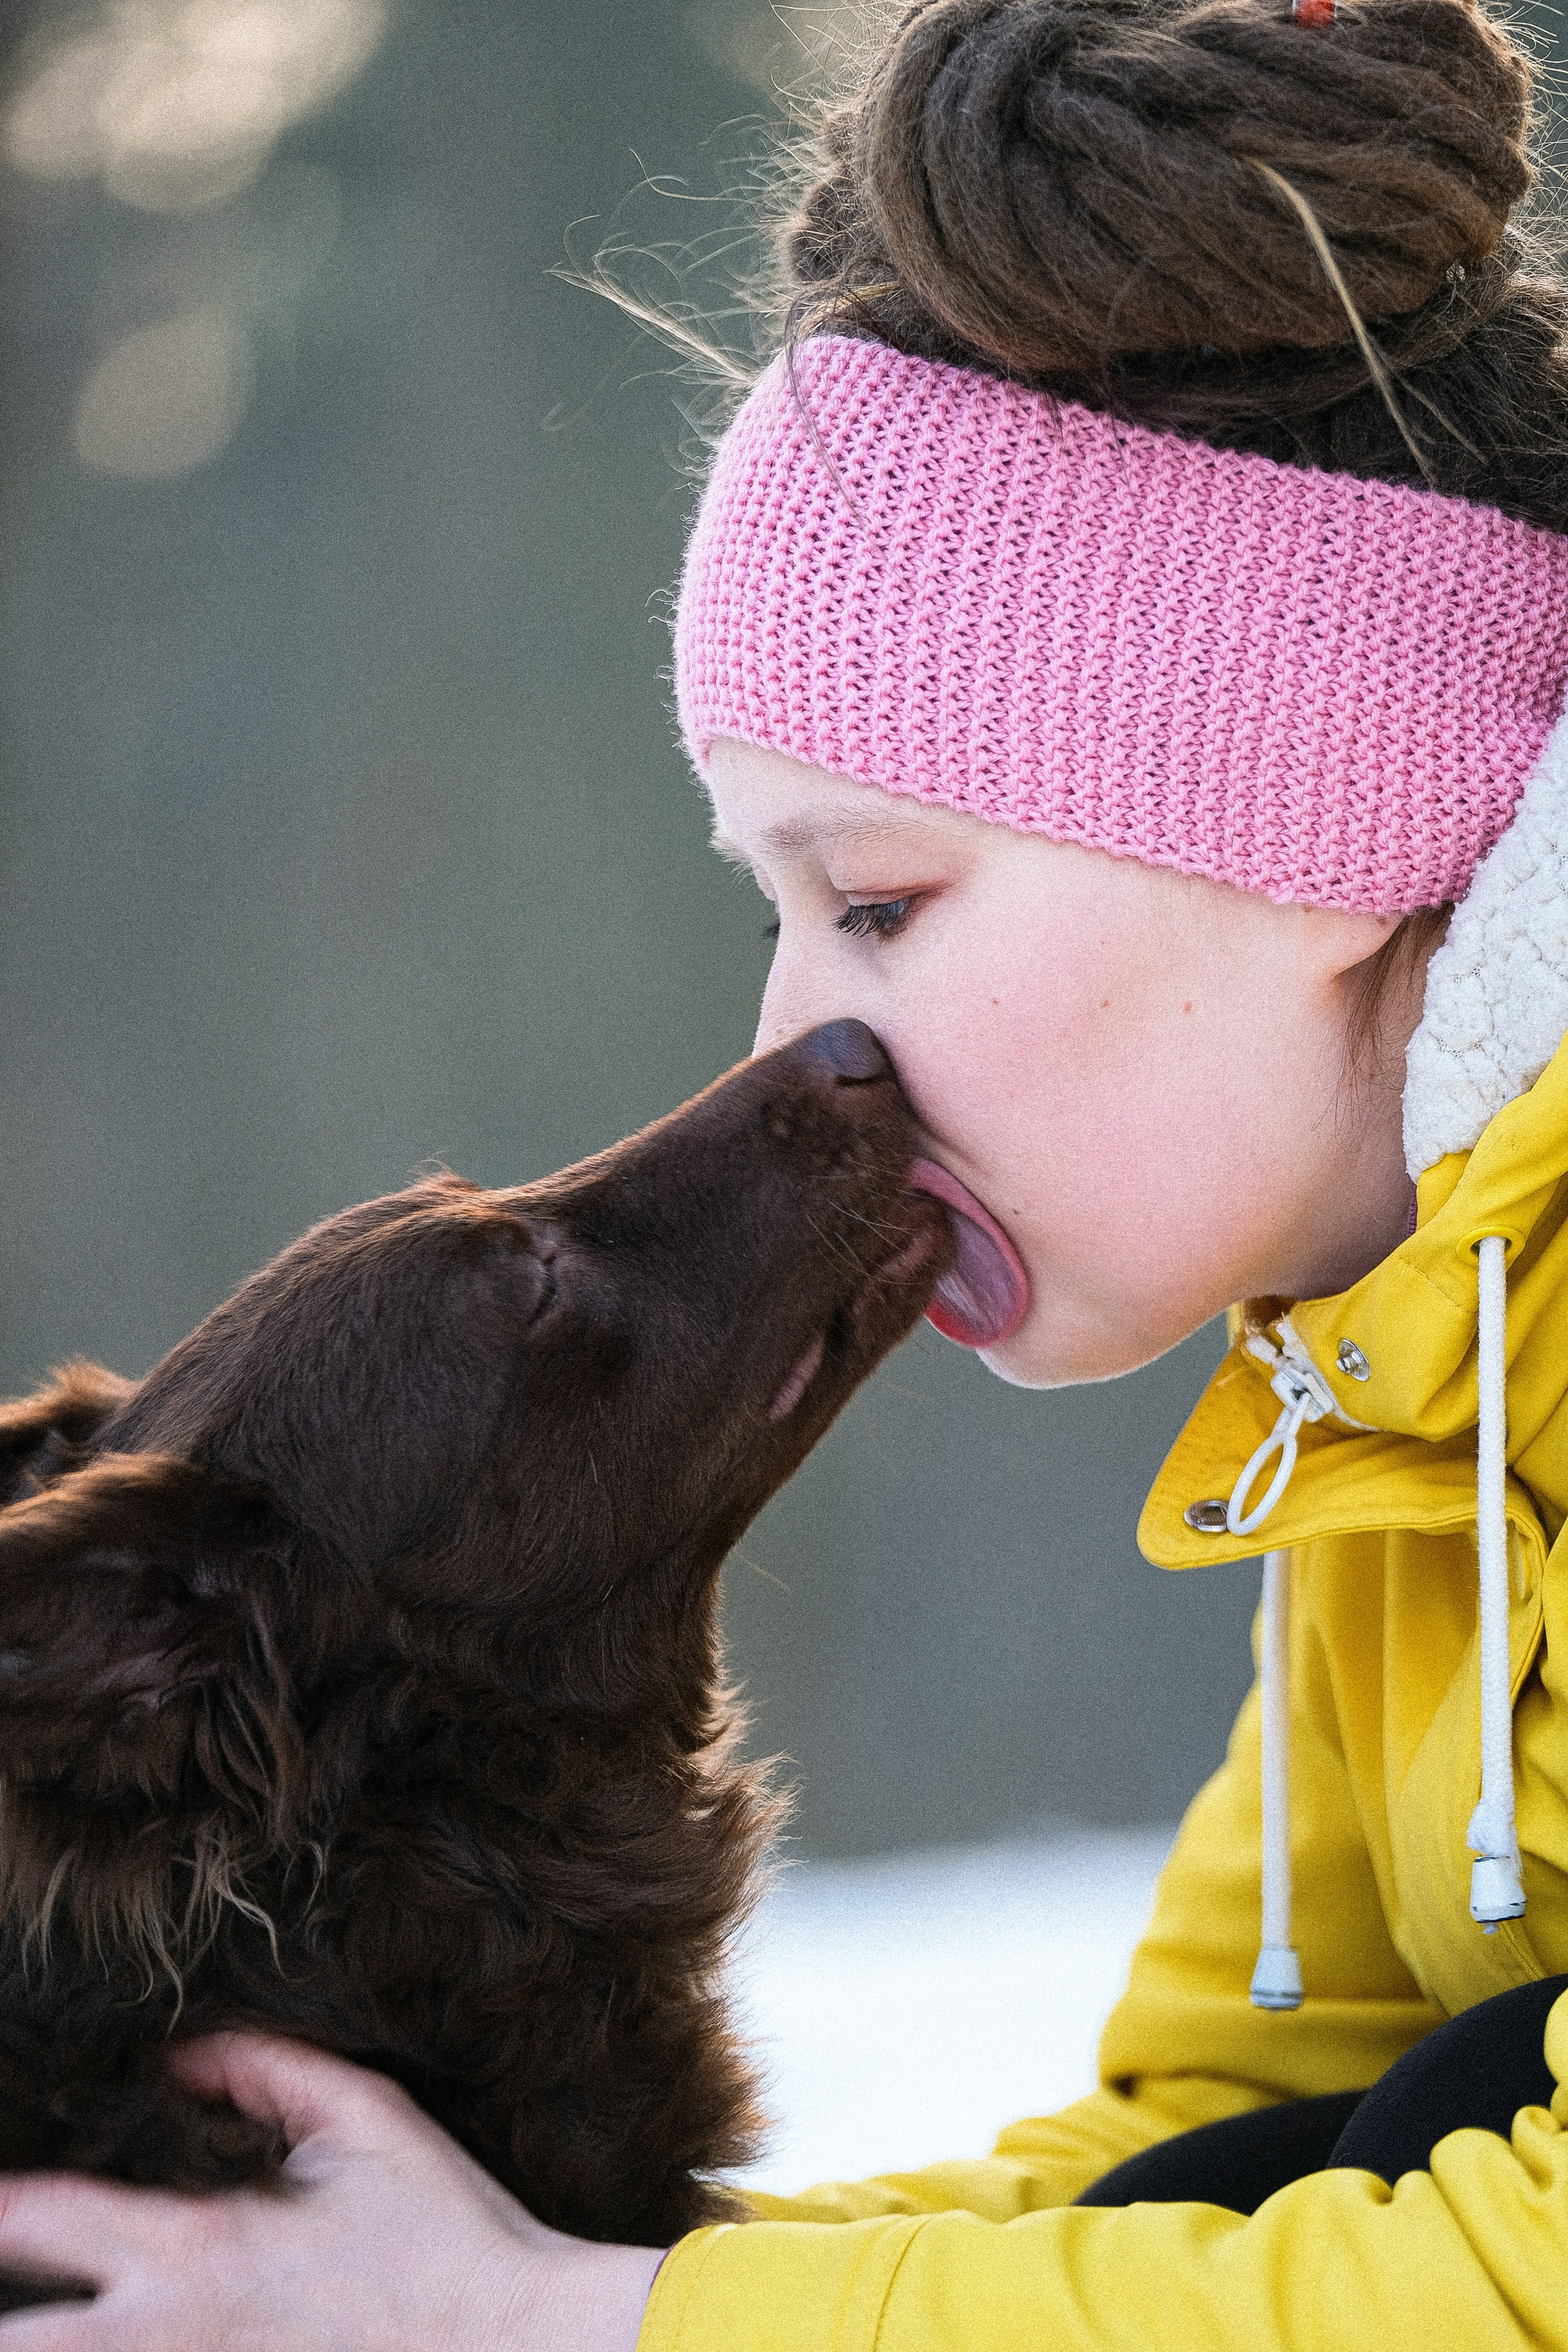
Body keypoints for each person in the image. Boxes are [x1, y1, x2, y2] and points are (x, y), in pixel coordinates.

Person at [6, 0, 1568, 2343]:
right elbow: (1191, 2175)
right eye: (778, 914)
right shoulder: (1388, 1394)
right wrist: (455, 2286)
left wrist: (568, 2329)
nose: (801, 1042)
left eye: (887, 902)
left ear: (1328, 829)